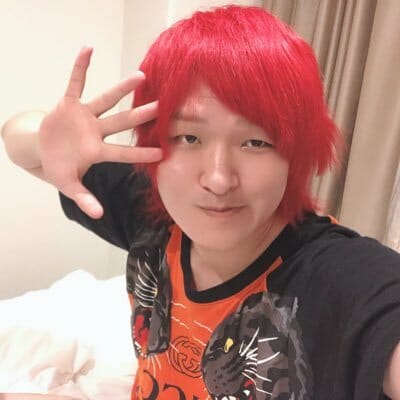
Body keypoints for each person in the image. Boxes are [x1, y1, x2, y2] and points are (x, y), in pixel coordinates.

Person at [2, 5, 400, 400]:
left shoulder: (336, 276)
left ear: (294, 155)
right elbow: (16, 139)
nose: (218, 179)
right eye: (189, 138)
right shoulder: (153, 212)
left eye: (256, 142)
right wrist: (47, 141)